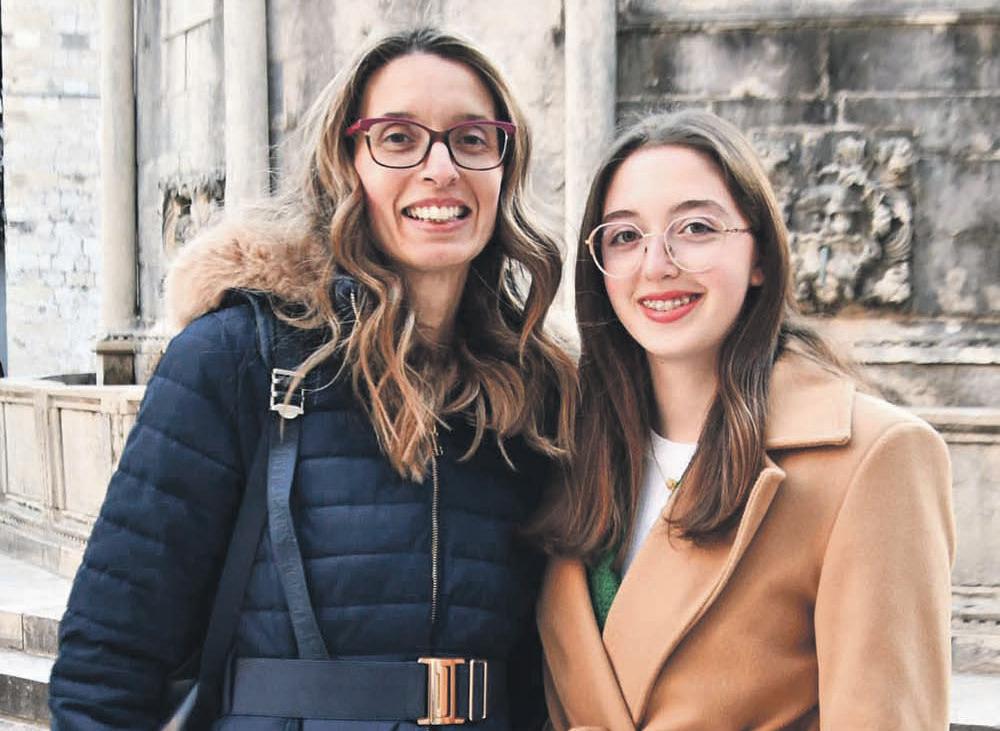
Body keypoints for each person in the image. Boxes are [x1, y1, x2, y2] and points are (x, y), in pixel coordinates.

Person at [49, 27, 575, 730]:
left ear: (505, 165)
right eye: (398, 138)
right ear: (346, 161)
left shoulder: (534, 390)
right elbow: (110, 654)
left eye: (472, 139)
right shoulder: (237, 356)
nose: (441, 167)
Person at [531, 110, 955, 730]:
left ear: (760, 257)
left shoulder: (875, 456)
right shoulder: (569, 447)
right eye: (624, 236)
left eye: (696, 228)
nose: (656, 264)